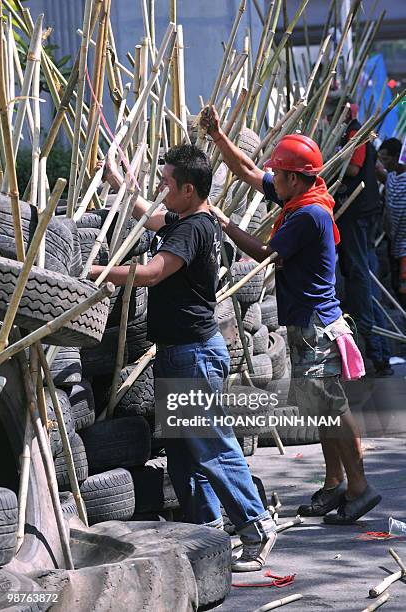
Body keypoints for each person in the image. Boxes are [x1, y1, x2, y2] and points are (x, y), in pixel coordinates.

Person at [92, 144, 277, 572]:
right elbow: (150, 216)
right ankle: (207, 533)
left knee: (211, 447)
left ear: (188, 189)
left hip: (193, 356)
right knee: (183, 453)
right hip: (179, 354)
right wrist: (120, 184)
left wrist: (94, 273)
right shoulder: (193, 220)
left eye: (166, 184)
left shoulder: (193, 229)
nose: (160, 190)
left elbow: (154, 272)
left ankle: (256, 526)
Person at [200, 107, 381, 524]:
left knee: (333, 409)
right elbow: (247, 171)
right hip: (306, 325)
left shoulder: (307, 214)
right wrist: (219, 136)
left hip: (315, 328)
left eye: (278, 174)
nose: (272, 178)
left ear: (294, 178)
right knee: (321, 411)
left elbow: (265, 254)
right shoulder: (300, 194)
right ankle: (335, 483)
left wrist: (222, 220)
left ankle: (359, 488)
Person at [325, 93, 392, 375]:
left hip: (358, 214)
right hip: (358, 213)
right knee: (359, 272)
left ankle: (372, 341)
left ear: (342, 113)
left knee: (360, 274)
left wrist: (329, 166)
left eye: (331, 114)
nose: (328, 120)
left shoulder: (356, 132)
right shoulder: (354, 132)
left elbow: (354, 167)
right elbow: (377, 168)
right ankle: (374, 345)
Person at [377, 138, 406, 309]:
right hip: (394, 246)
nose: (383, 163)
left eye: (386, 159)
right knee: (397, 288)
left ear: (397, 157)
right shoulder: (391, 178)